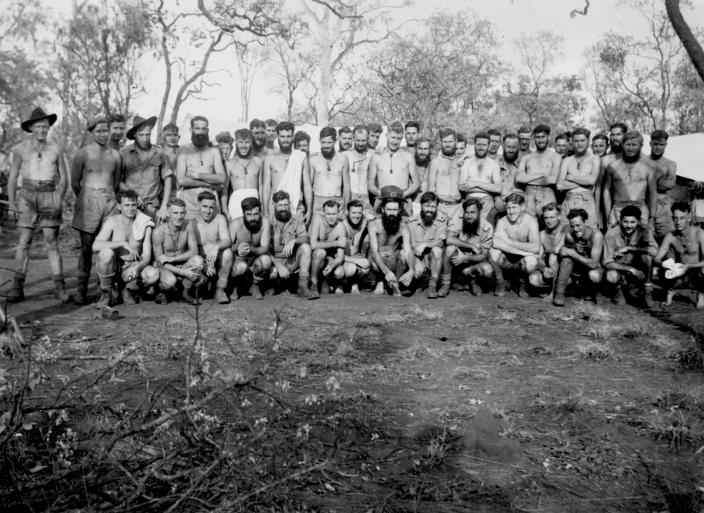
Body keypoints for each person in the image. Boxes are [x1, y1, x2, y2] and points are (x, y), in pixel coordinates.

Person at [7, 107, 71, 303]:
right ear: (31, 128)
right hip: (26, 196)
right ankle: (18, 287)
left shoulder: (56, 148)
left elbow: (64, 177)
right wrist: (11, 203)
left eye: (45, 126)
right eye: (39, 126)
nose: (42, 130)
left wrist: (58, 196)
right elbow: (13, 177)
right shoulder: (20, 149)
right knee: (24, 241)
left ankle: (59, 288)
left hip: (49, 195)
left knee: (51, 241)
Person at [71, 117, 123, 304]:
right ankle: (81, 291)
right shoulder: (83, 154)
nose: (103, 134)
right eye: (98, 131)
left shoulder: (115, 155)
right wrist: (88, 198)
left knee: (109, 245)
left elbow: (116, 182)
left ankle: (108, 291)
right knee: (86, 247)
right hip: (88, 200)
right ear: (91, 132)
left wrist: (106, 195)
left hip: (109, 199)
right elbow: (75, 183)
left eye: (105, 131)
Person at [92, 189, 159, 306]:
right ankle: (106, 292)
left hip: (132, 266)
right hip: (114, 266)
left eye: (133, 205)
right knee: (105, 254)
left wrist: (137, 268)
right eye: (127, 205)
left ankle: (128, 289)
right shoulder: (112, 221)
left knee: (153, 275)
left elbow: (147, 255)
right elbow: (95, 246)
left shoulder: (144, 222)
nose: (131, 208)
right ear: (119, 206)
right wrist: (122, 243)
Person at [151, 198, 205, 305]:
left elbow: (194, 252)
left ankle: (184, 293)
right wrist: (183, 272)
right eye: (175, 213)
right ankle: (163, 291)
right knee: (170, 281)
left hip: (181, 264)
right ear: (168, 213)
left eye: (182, 213)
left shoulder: (188, 225)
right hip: (166, 268)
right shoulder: (158, 232)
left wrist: (172, 258)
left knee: (198, 260)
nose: (179, 217)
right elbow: (159, 263)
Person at [120, 115, 172, 223]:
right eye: (141, 135)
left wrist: (164, 207)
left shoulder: (159, 152)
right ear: (135, 135)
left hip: (153, 207)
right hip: (130, 206)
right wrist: (133, 196)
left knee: (155, 237)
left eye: (148, 135)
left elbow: (168, 178)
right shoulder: (124, 153)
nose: (145, 138)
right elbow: (118, 181)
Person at [603, 205, 657, 306]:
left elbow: (654, 251)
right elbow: (607, 263)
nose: (628, 226)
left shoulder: (644, 231)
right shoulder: (611, 234)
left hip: (637, 267)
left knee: (648, 258)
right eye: (625, 221)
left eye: (633, 222)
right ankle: (618, 289)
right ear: (620, 220)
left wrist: (630, 248)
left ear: (639, 221)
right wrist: (630, 269)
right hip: (621, 268)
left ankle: (647, 289)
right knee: (611, 276)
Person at [653, 202, 704, 309]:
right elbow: (657, 258)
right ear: (672, 218)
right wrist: (665, 264)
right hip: (679, 270)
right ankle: (671, 291)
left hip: (696, 270)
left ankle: (701, 293)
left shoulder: (699, 234)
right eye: (675, 218)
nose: (678, 222)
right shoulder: (671, 236)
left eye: (682, 218)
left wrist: (688, 266)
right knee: (658, 271)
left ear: (689, 217)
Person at [489, 192, 540, 297]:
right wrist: (524, 252)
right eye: (508, 208)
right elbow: (497, 244)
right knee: (492, 252)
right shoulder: (502, 222)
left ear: (522, 207)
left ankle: (522, 283)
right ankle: (501, 281)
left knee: (531, 261)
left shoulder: (531, 221)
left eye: (514, 207)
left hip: (520, 263)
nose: (511, 211)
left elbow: (535, 248)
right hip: (507, 261)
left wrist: (509, 241)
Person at [268, 190, 318, 299]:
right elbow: (263, 249)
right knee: (271, 270)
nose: (283, 208)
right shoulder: (268, 222)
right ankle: (269, 286)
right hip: (274, 263)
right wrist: (278, 265)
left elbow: (306, 238)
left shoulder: (296, 219)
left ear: (289, 204)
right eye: (280, 205)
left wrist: (294, 240)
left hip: (291, 261)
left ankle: (303, 287)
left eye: (286, 205)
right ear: (273, 205)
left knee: (306, 247)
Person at [602, 130, 657, 229]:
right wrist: (607, 216)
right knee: (613, 242)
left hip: (640, 209)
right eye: (627, 144)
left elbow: (653, 194)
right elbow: (606, 192)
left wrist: (652, 219)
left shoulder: (648, 166)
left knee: (640, 243)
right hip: (618, 209)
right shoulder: (613, 166)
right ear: (622, 145)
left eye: (634, 145)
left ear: (641, 146)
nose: (630, 148)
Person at [367, 186, 414, 296]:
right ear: (383, 210)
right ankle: (381, 281)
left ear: (399, 210)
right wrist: (386, 271)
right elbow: (374, 251)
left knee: (403, 253)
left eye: (395, 210)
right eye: (389, 210)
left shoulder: (403, 227)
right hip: (378, 262)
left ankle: (395, 283)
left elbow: (408, 251)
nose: (392, 213)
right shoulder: (373, 225)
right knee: (374, 255)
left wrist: (411, 270)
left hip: (394, 260)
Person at [175, 116, 226, 219]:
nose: (201, 132)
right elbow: (181, 180)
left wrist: (196, 175)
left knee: (212, 233)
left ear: (207, 130)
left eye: (204, 129)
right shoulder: (183, 150)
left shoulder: (214, 152)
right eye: (197, 128)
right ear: (191, 130)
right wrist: (208, 182)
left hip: (210, 201)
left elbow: (222, 178)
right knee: (190, 232)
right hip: (189, 201)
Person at [552, 208, 604, 306]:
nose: (575, 229)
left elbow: (594, 264)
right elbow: (558, 251)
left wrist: (572, 253)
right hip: (575, 269)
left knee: (595, 274)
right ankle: (559, 293)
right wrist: (564, 249)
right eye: (572, 226)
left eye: (578, 225)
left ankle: (591, 293)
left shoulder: (595, 235)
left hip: (590, 268)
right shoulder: (568, 231)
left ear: (585, 221)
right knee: (566, 259)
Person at [443, 197, 494, 296]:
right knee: (450, 248)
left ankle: (473, 282)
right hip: (456, 260)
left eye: (473, 212)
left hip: (472, 262)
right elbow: (449, 239)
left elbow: (483, 255)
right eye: (467, 212)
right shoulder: (458, 220)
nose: (469, 216)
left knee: (488, 270)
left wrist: (465, 258)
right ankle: (446, 284)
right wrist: (471, 246)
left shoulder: (487, 227)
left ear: (479, 212)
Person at [262, 121, 312, 221]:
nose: (285, 140)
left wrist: (309, 209)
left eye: (288, 136)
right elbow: (266, 186)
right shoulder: (269, 159)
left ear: (293, 137)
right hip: (275, 206)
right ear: (277, 137)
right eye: (282, 136)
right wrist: (265, 210)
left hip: (295, 206)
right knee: (275, 236)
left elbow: (307, 185)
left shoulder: (300, 157)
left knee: (299, 236)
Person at [368, 121, 419, 215]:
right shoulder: (376, 156)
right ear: (387, 135)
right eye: (393, 137)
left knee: (404, 229)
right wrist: (381, 195)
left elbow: (416, 183)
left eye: (398, 138)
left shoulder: (408, 157)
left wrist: (404, 194)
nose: (395, 142)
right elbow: (370, 184)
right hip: (382, 200)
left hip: (403, 202)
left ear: (402, 138)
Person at [192, 191, 233, 304]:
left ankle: (221, 289)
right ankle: (198, 288)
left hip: (215, 260)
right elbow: (191, 251)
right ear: (198, 205)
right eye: (204, 206)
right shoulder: (192, 223)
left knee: (228, 253)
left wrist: (216, 246)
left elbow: (227, 240)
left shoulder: (219, 219)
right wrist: (204, 266)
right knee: (196, 262)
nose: (208, 211)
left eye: (211, 207)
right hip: (200, 261)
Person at [229, 197, 272, 300]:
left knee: (266, 260)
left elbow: (264, 248)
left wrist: (251, 249)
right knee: (241, 267)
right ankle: (234, 286)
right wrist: (237, 247)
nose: (252, 218)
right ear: (243, 213)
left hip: (254, 259)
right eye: (249, 214)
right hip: (238, 260)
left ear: (260, 213)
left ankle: (255, 284)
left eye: (256, 214)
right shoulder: (235, 224)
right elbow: (227, 247)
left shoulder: (265, 223)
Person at [556, 127, 599, 228]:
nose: (579, 144)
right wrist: (584, 179)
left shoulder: (594, 159)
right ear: (572, 142)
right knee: (567, 234)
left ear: (588, 141)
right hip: (569, 200)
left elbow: (592, 181)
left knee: (589, 233)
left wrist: (571, 177)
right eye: (576, 141)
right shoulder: (567, 160)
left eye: (582, 140)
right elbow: (559, 185)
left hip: (587, 201)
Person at [516, 124, 562, 217]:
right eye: (537, 137)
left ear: (548, 137)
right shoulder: (527, 157)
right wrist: (542, 175)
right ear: (533, 138)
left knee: (549, 225)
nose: (540, 140)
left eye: (543, 137)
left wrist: (528, 178)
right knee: (528, 225)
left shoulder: (555, 157)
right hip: (529, 195)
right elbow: (519, 178)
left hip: (547, 193)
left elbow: (552, 180)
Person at [407, 192, 447, 298]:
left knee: (437, 250)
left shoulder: (440, 220)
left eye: (433, 206)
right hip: (416, 258)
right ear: (421, 205)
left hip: (431, 260)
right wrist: (416, 261)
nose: (430, 209)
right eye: (427, 206)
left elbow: (441, 242)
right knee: (404, 254)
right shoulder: (411, 222)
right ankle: (412, 285)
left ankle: (432, 286)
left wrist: (425, 244)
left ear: (437, 207)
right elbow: (409, 246)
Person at [459, 132, 502, 222]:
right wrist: (489, 187)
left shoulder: (493, 164)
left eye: (484, 145)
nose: (481, 147)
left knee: (487, 228)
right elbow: (462, 186)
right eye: (479, 144)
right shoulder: (467, 162)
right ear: (474, 144)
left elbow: (498, 188)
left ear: (488, 145)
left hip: (487, 201)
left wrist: (475, 183)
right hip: (470, 199)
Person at [309, 126, 350, 215]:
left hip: (336, 201)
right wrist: (309, 209)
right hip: (318, 202)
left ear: (335, 141)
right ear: (319, 141)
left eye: (329, 142)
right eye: (323, 142)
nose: (326, 146)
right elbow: (309, 187)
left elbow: (346, 186)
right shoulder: (313, 159)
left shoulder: (343, 159)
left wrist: (346, 207)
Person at [527, 203, 565, 297]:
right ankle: (551, 288)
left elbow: (559, 252)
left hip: (567, 273)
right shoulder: (542, 234)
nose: (549, 221)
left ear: (559, 217)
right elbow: (538, 259)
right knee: (533, 279)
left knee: (553, 257)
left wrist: (548, 251)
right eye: (546, 218)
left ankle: (554, 293)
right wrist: (543, 268)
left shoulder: (566, 230)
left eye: (552, 217)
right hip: (552, 273)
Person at [225, 128, 263, 221]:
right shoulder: (229, 164)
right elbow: (225, 189)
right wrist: (225, 209)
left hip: (254, 203)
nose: (243, 146)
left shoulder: (258, 161)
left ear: (251, 143)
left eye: (247, 142)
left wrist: (262, 206)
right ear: (236, 143)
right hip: (236, 204)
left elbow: (261, 186)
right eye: (240, 142)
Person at [310, 200, 347, 294]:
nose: (331, 217)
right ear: (323, 213)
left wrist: (332, 265)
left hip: (329, 259)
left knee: (339, 272)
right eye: (328, 214)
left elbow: (340, 256)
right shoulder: (317, 219)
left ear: (339, 213)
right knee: (320, 252)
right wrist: (336, 243)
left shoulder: (341, 227)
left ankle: (326, 279)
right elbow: (313, 245)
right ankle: (313, 283)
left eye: (334, 214)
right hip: (314, 258)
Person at [647, 130, 678, 241]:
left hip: (663, 209)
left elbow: (670, 183)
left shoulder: (670, 164)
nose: (658, 147)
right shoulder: (642, 162)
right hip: (645, 206)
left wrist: (649, 182)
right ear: (650, 143)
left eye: (661, 144)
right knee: (645, 242)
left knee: (668, 239)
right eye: (655, 144)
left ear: (666, 145)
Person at [427, 128, 462, 222]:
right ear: (441, 142)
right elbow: (431, 188)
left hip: (458, 206)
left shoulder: (461, 161)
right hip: (441, 207)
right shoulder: (436, 162)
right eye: (445, 141)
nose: (447, 144)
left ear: (456, 141)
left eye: (450, 141)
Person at [596, 123, 627, 227]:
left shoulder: (633, 156)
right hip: (608, 206)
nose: (615, 138)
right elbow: (599, 189)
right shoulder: (605, 159)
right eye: (612, 135)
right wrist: (597, 213)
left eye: (618, 134)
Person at [343, 124, 374, 219]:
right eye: (358, 140)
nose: (360, 144)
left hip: (365, 199)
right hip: (350, 197)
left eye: (363, 140)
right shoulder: (345, 155)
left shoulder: (371, 156)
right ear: (353, 138)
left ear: (368, 139)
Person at [340, 199, 371, 293]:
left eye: (359, 213)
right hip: (341, 259)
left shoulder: (364, 222)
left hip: (355, 256)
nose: (357, 216)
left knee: (366, 266)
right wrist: (356, 260)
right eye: (353, 213)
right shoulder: (341, 224)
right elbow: (335, 254)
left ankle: (355, 283)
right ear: (347, 212)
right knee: (351, 268)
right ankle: (338, 284)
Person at [494, 133, 521, 220]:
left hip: (519, 205)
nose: (511, 150)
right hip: (498, 205)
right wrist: (496, 198)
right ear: (502, 146)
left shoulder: (523, 165)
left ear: (519, 147)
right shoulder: (495, 163)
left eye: (514, 147)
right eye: (508, 147)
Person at [411, 136, 432, 216]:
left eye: (425, 149)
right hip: (411, 205)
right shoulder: (410, 162)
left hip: (427, 207)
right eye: (420, 148)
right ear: (415, 149)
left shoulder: (434, 164)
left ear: (430, 150)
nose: (422, 152)